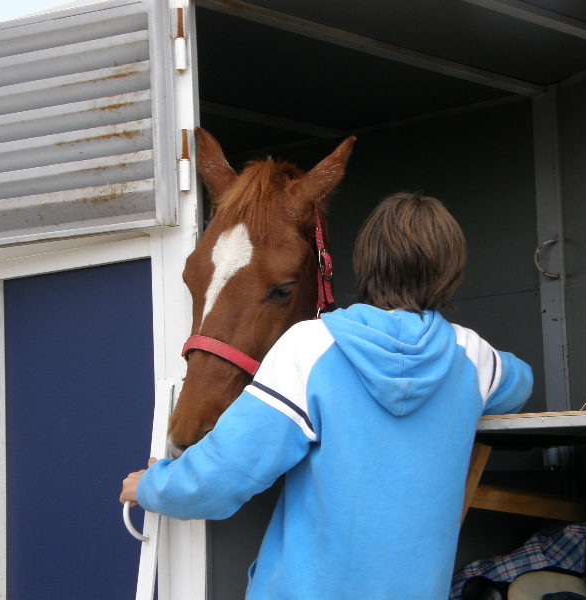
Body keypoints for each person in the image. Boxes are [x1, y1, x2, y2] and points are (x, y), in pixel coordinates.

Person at [121, 192, 533, 599]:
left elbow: (221, 476)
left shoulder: (312, 347)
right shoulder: (473, 358)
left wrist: (151, 486)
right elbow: (520, 384)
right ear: (451, 272)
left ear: (365, 262)